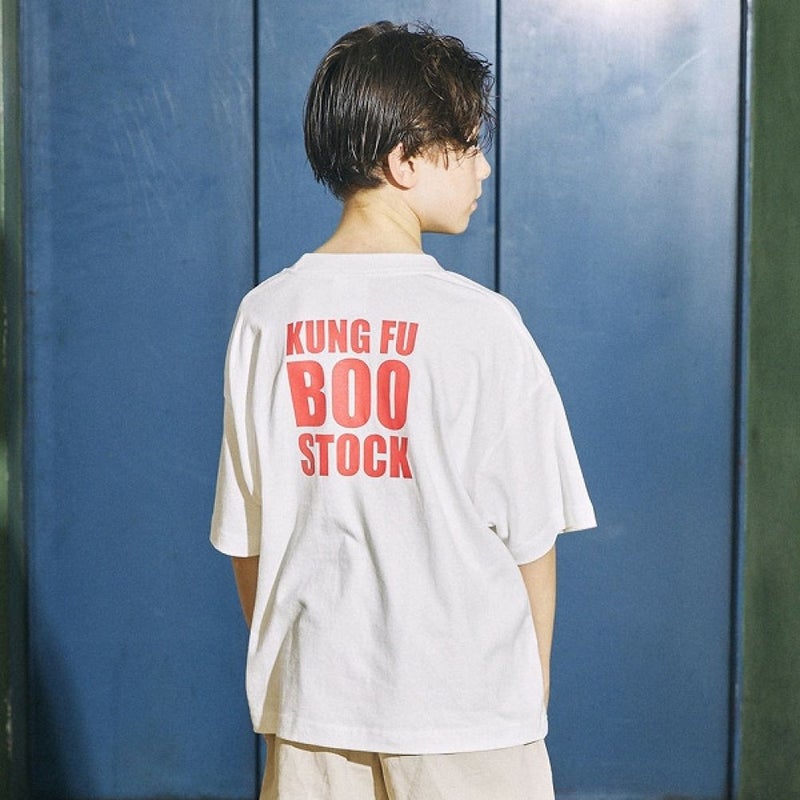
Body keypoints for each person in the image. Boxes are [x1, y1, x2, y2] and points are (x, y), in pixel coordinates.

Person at [210, 21, 596, 800]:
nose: (484, 166)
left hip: (316, 717)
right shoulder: (484, 325)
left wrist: (306, 679)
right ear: (406, 159)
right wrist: (529, 694)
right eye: (470, 144)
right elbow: (531, 543)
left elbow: (248, 542)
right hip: (470, 719)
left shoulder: (265, 318)